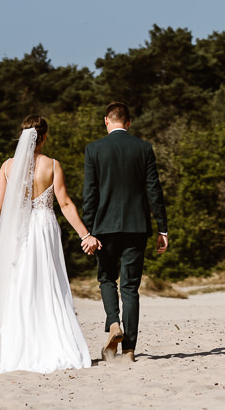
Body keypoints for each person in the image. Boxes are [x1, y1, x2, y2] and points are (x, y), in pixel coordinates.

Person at [0, 115, 95, 374]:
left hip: (20, 231)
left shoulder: (7, 167)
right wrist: (85, 234)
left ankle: (19, 349)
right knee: (48, 284)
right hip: (44, 229)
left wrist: (3, 221)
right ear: (44, 136)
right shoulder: (53, 165)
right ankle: (56, 343)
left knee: (21, 284)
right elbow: (66, 204)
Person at [81, 101, 169, 362]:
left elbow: (90, 194)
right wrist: (162, 228)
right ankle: (129, 350)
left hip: (104, 227)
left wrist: (87, 232)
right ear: (128, 122)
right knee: (130, 287)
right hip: (136, 226)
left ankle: (113, 324)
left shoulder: (94, 149)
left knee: (107, 279)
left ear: (106, 121)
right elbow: (155, 190)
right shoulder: (143, 148)